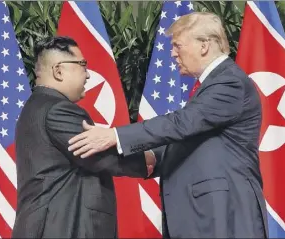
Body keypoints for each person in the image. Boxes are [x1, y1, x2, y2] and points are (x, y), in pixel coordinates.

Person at [68, 12, 268, 238]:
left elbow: (182, 123)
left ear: (204, 45)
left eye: (178, 45)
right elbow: (193, 138)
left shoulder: (229, 82)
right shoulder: (212, 84)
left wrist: (114, 135)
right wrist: (152, 157)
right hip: (205, 214)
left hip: (222, 213)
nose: (172, 53)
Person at [12, 36, 155, 238]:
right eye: (82, 65)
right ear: (58, 71)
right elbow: (102, 156)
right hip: (63, 228)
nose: (87, 74)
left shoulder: (37, 107)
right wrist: (153, 159)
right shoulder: (57, 109)